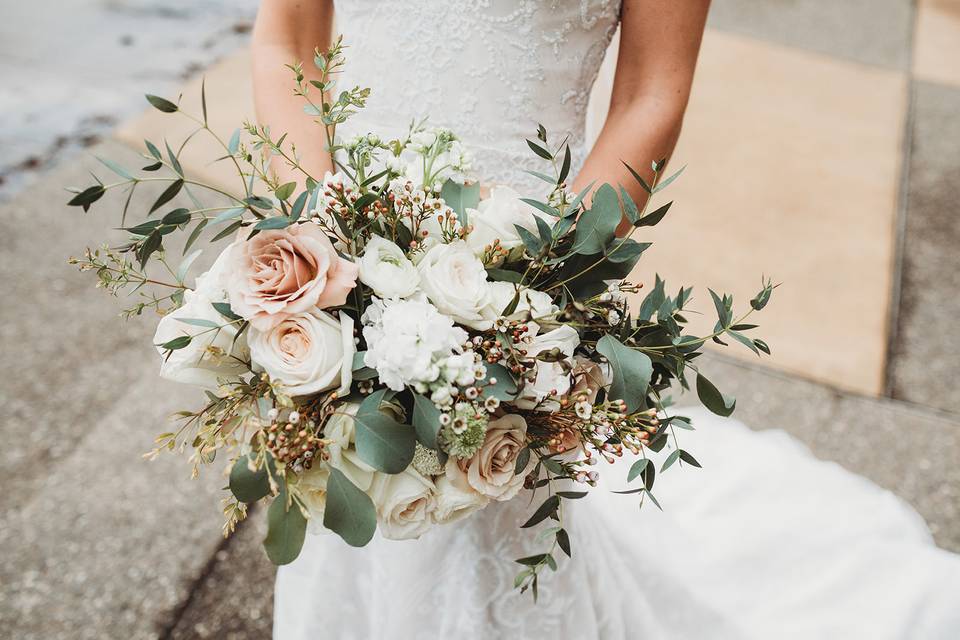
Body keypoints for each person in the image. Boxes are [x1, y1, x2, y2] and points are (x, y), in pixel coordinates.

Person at [252, 2, 960, 638]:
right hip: (337, 256)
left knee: (485, 497)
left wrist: (533, 290)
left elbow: (652, 93)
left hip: (515, 281)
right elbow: (287, 33)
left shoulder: (520, 299)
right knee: (346, 480)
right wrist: (318, 242)